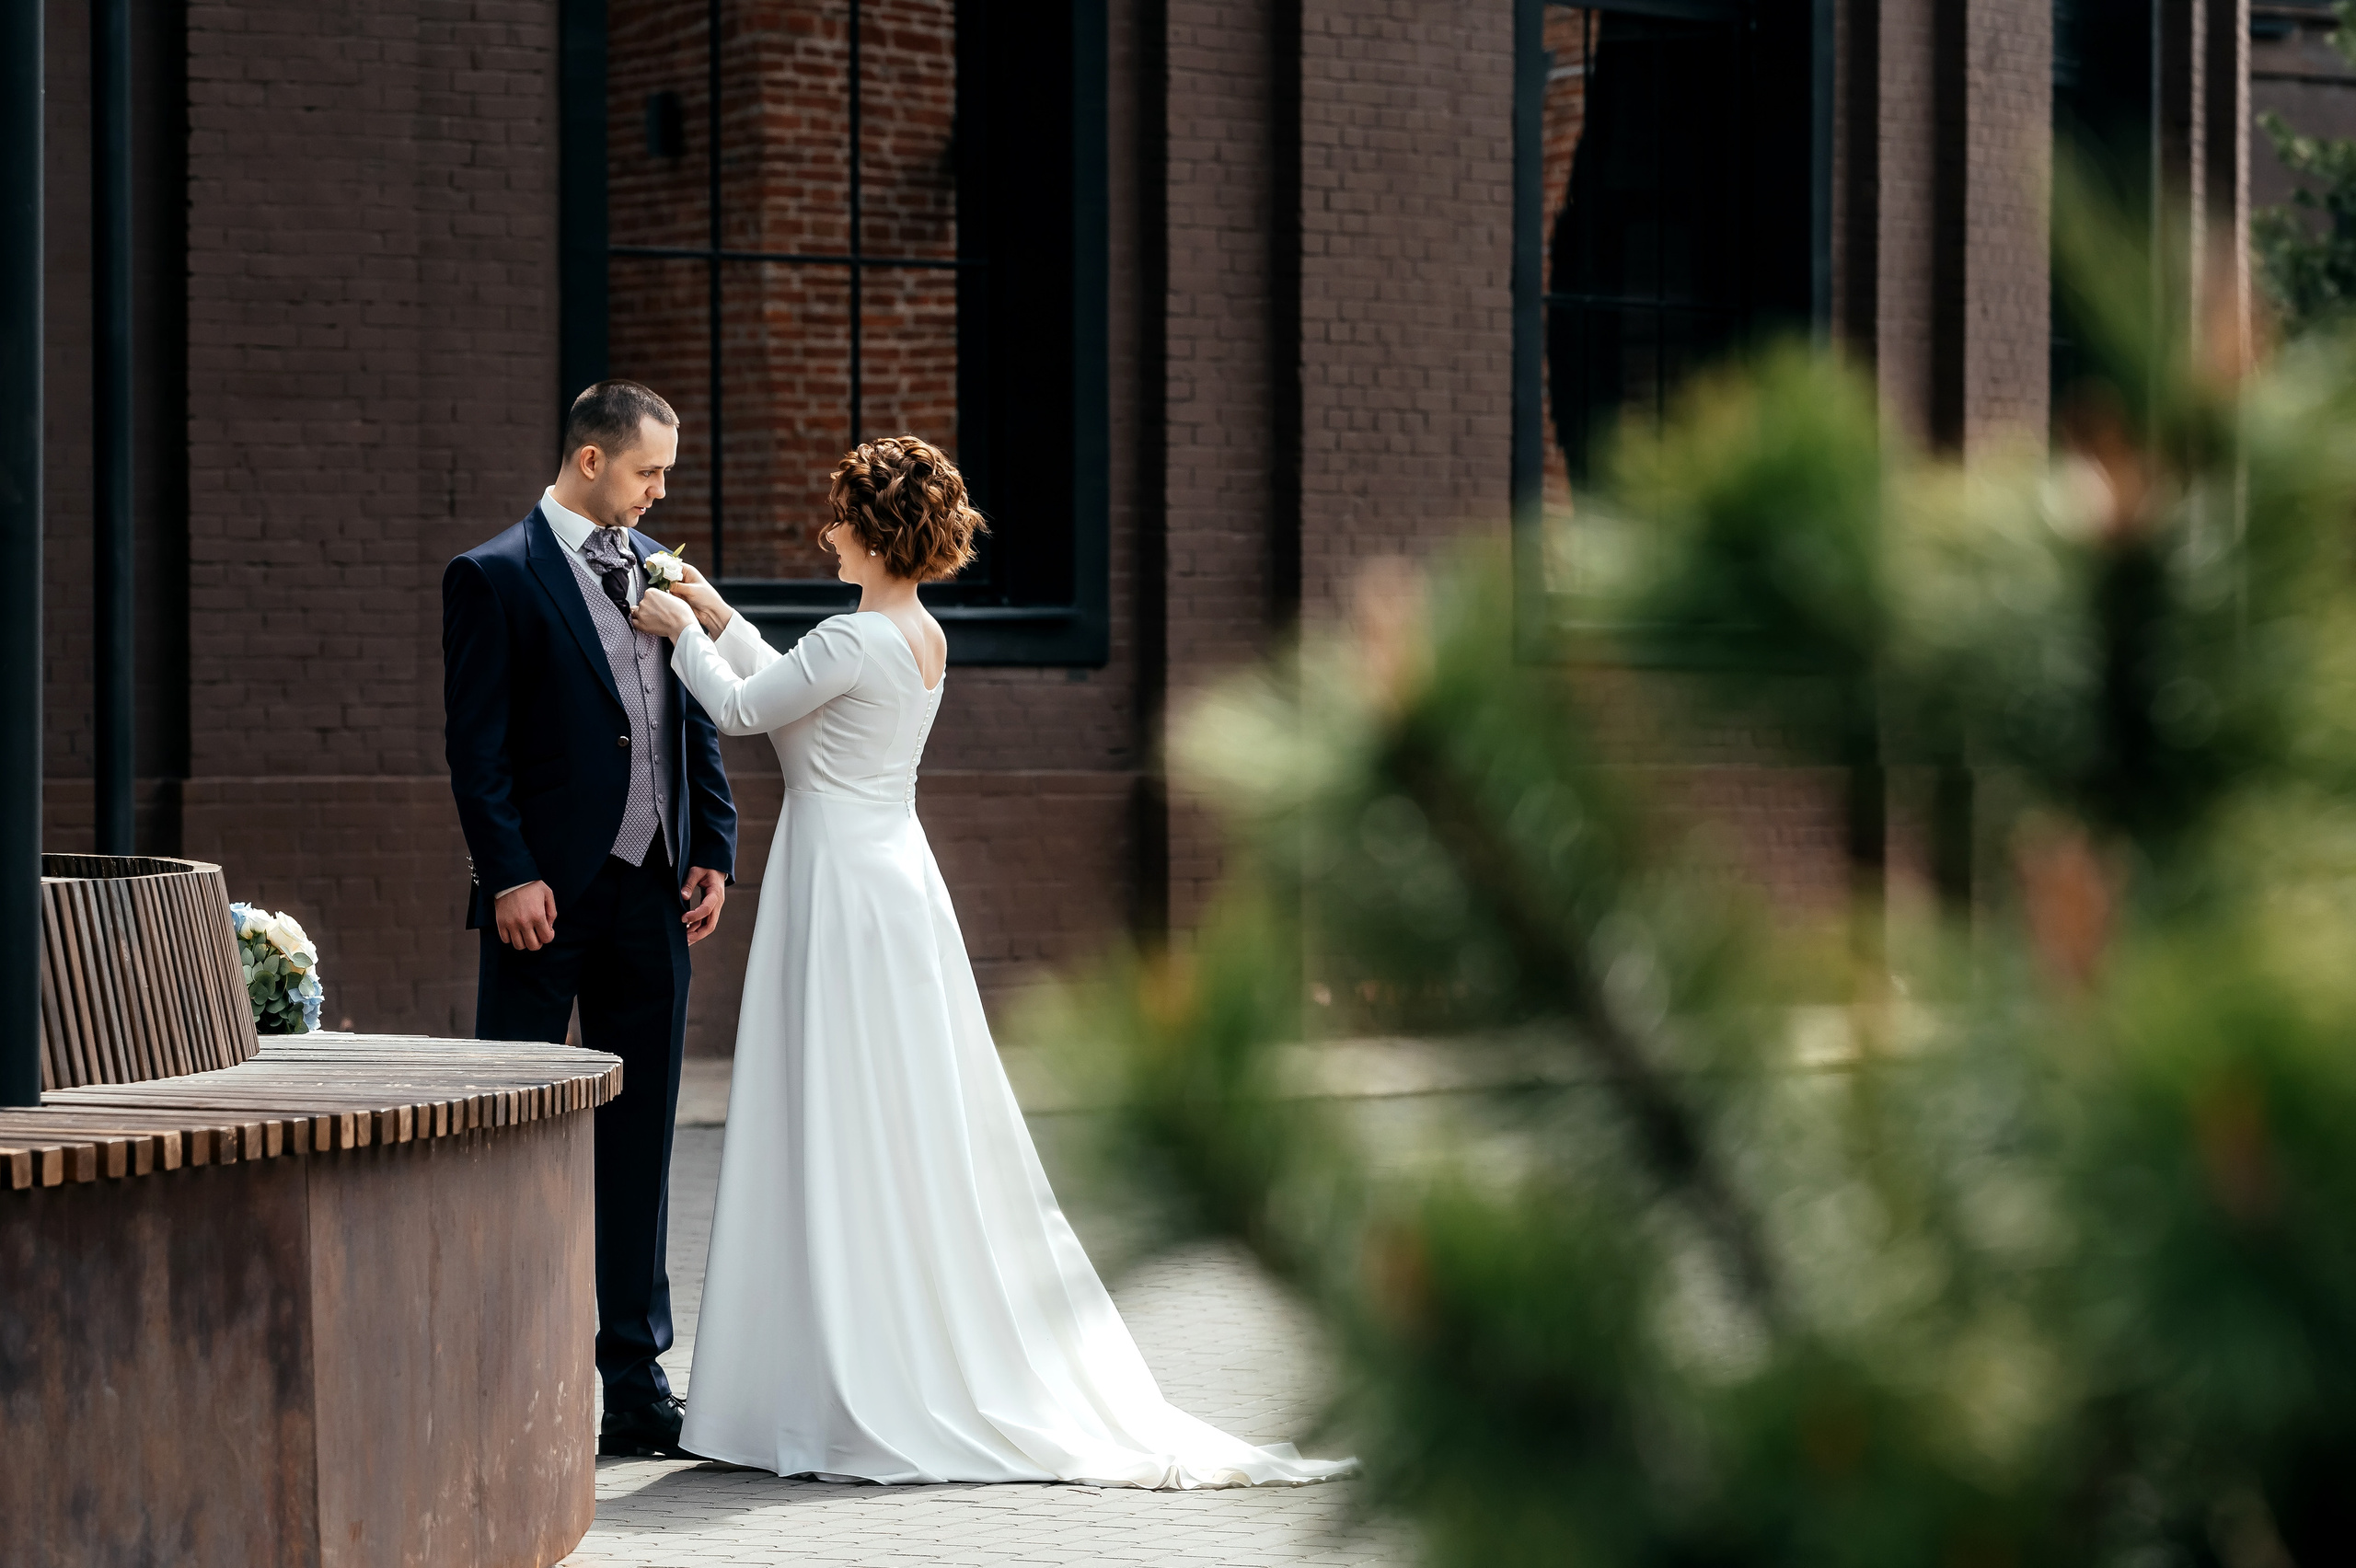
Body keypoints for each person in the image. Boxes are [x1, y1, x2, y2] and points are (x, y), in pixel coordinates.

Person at [627, 434, 1352, 1487]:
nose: (825, 533)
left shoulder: (851, 640)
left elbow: (744, 709)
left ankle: (842, 1372)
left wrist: (673, 627)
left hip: (839, 889)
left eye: (837, 519)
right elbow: (784, 680)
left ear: (871, 534)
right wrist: (711, 608)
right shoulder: (912, 635)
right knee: (898, 1110)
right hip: (891, 881)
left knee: (838, 1107)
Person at [442, 379, 738, 1461]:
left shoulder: (659, 569)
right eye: (650, 471)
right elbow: (476, 749)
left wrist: (713, 846)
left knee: (643, 1133)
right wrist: (509, 875)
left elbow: (688, 709)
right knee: (512, 1133)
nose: (662, 492)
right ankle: (504, 1366)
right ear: (589, 462)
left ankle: (635, 1376)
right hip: (544, 900)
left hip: (652, 888)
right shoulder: (494, 575)